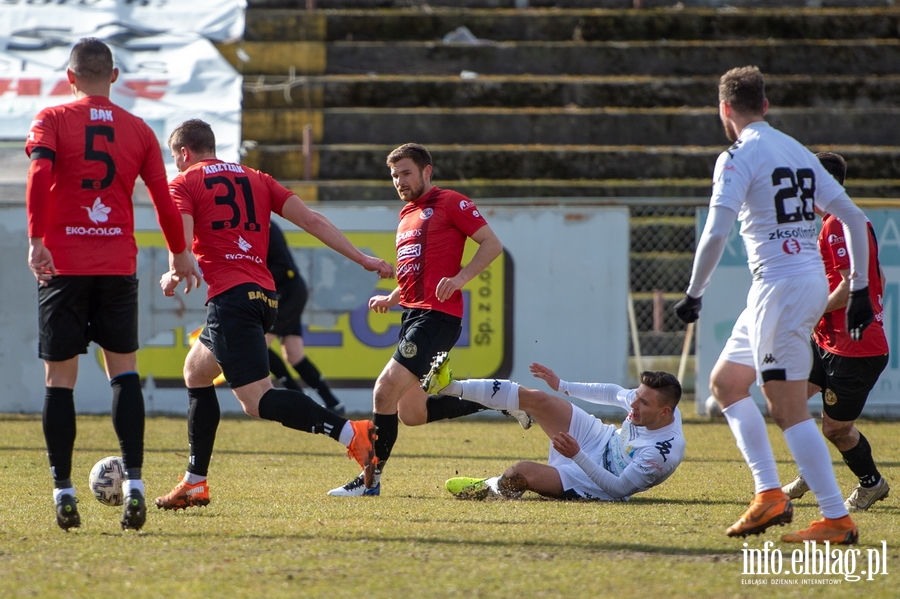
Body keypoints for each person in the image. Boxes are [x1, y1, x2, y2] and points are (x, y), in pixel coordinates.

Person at [674, 66, 875, 545]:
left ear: (724, 109)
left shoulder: (737, 156)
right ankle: (768, 494)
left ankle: (836, 519)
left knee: (785, 407)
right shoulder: (799, 151)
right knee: (727, 384)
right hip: (783, 286)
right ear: (765, 105)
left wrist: (694, 292)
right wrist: (862, 287)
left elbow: (716, 231)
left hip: (782, 288)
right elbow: (853, 215)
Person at [154, 119, 394, 510]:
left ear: (183, 153)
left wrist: (175, 270)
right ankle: (195, 482)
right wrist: (362, 258)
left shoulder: (183, 182)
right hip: (263, 295)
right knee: (196, 370)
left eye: (175, 158)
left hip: (231, 298)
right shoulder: (257, 178)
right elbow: (313, 221)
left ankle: (351, 432)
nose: (176, 165)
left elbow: (177, 235)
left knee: (256, 401)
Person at [25, 38, 198, 532]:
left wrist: (37, 239)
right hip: (116, 264)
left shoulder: (53, 119)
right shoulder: (139, 129)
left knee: (60, 381)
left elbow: (39, 173)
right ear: (115, 76)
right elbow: (165, 199)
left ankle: (63, 492)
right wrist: (180, 251)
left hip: (64, 265)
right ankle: (137, 486)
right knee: (123, 373)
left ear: (70, 75)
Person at [327, 143, 504, 497]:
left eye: (406, 172)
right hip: (413, 314)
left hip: (437, 317)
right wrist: (392, 297)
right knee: (412, 412)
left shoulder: (451, 202)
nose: (399, 181)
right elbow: (416, 272)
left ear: (427, 171)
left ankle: (369, 482)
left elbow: (492, 244)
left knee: (384, 390)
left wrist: (460, 279)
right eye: (394, 175)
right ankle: (503, 400)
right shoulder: (407, 214)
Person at [781, 152, 890, 511]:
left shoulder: (835, 224)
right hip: (828, 340)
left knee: (836, 429)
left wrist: (807, 313)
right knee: (789, 400)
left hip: (853, 350)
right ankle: (812, 471)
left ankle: (871, 483)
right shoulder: (848, 220)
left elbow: (847, 288)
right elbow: (880, 277)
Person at [423, 354, 685, 501]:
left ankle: (490, 488)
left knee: (521, 472)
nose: (633, 404)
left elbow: (619, 490)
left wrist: (577, 456)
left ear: (664, 412)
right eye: (636, 396)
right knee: (538, 398)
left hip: (598, 481)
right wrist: (562, 385)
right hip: (600, 438)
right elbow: (613, 393)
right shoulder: (644, 402)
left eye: (643, 403)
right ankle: (449, 386)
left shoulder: (661, 453)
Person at [265, 220, 345, 415]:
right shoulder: (251, 224)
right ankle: (333, 403)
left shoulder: (263, 225)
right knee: (293, 353)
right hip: (285, 292)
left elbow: (282, 267)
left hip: (287, 292)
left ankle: (298, 399)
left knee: (258, 344)